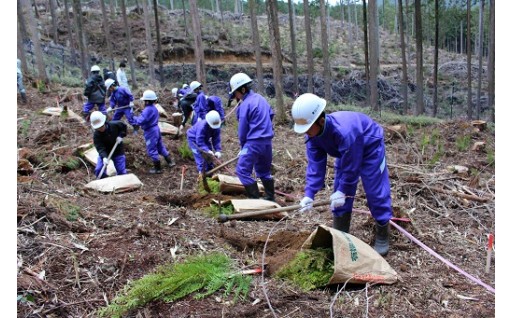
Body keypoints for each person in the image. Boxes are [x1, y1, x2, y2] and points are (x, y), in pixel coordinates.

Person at [291, 93, 393, 256]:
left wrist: (342, 190)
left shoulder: (344, 132)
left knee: (375, 191)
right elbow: (315, 166)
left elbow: (351, 168)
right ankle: (341, 234)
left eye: (308, 128)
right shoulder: (312, 136)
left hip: (370, 146)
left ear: (321, 120)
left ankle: (382, 233)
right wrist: (309, 194)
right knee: (339, 193)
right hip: (346, 151)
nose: (307, 132)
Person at [229, 72, 275, 201]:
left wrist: (243, 147)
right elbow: (271, 114)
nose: (235, 97)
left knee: (242, 171)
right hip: (267, 142)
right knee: (264, 171)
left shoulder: (245, 104)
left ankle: (254, 199)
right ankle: (270, 197)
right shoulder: (261, 98)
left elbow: (242, 131)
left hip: (253, 142)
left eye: (236, 93)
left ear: (242, 89)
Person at [133, 90, 176, 174]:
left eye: (144, 101)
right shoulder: (154, 108)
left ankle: (158, 168)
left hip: (150, 131)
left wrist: (133, 118)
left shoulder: (147, 110)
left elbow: (141, 120)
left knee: (152, 149)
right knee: (160, 146)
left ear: (147, 101)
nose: (143, 102)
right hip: (156, 129)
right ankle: (170, 162)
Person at [187, 110, 222, 183]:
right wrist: (207, 150)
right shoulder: (202, 126)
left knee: (209, 157)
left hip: (205, 139)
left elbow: (216, 139)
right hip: (193, 139)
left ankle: (210, 173)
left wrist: (218, 150)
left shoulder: (216, 126)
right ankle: (202, 176)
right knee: (200, 156)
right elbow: (199, 141)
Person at [90, 111, 127, 179]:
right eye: (98, 128)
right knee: (99, 170)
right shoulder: (96, 135)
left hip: (117, 150)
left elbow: (123, 127)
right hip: (105, 152)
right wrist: (104, 157)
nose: (100, 129)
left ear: (104, 122)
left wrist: (120, 136)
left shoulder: (114, 125)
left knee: (122, 172)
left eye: (101, 126)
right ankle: (105, 180)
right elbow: (100, 147)